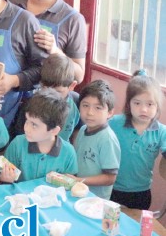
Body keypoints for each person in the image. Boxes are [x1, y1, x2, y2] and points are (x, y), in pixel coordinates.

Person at [9, 0, 87, 83]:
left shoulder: (73, 19)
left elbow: (79, 76)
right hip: (8, 89)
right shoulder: (10, 5)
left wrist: (55, 50)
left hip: (46, 97)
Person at [110, 70, 166, 209]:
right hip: (112, 188)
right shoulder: (114, 123)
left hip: (141, 192)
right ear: (128, 104)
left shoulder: (161, 131)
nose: (143, 110)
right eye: (137, 103)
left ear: (158, 106)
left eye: (150, 104)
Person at [5, 88, 78, 181]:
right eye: (27, 120)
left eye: (34, 125)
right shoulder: (17, 144)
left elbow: (69, 185)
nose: (26, 128)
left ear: (54, 130)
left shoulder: (68, 152)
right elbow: (7, 181)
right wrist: (5, 179)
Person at [70, 80, 120, 200]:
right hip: (78, 193)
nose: (90, 113)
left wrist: (79, 180)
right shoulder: (82, 130)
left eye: (98, 108)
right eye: (85, 105)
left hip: (96, 200)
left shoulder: (107, 138)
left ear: (110, 113)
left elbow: (110, 178)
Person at [12, 54, 80, 142]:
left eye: (58, 92)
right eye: (46, 90)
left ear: (72, 86)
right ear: (41, 84)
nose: (51, 97)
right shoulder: (30, 105)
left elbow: (79, 129)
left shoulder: (77, 102)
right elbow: (20, 135)